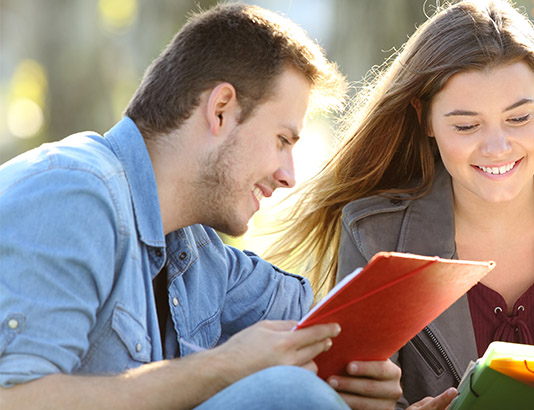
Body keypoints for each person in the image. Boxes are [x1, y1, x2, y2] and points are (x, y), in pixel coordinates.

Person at [267, 0, 534, 407]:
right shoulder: (373, 232)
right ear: (426, 119)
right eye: (466, 125)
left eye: (519, 118)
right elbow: (351, 396)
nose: (497, 147)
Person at [0, 4, 404, 409]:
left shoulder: (197, 252)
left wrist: (357, 377)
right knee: (291, 395)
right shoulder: (71, 194)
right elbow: (16, 399)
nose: (288, 175)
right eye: (282, 140)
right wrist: (224, 366)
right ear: (221, 110)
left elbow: (320, 321)